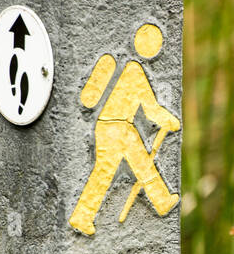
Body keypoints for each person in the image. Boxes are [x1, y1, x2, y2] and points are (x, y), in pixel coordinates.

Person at [69, 23, 180, 235]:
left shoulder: (122, 66)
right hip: (117, 126)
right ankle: (82, 216)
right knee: (107, 172)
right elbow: (151, 110)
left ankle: (162, 200)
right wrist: (170, 121)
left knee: (137, 165)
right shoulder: (135, 71)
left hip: (113, 126)